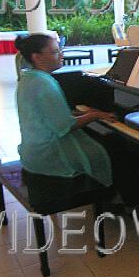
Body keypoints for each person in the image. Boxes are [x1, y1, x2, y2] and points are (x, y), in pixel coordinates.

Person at [15, 34, 117, 193]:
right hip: (48, 154)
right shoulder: (43, 83)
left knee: (109, 143)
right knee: (112, 147)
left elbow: (49, 115)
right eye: (55, 52)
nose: (62, 55)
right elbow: (65, 126)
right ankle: (119, 197)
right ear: (37, 57)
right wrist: (94, 115)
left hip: (33, 150)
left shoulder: (30, 78)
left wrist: (81, 113)